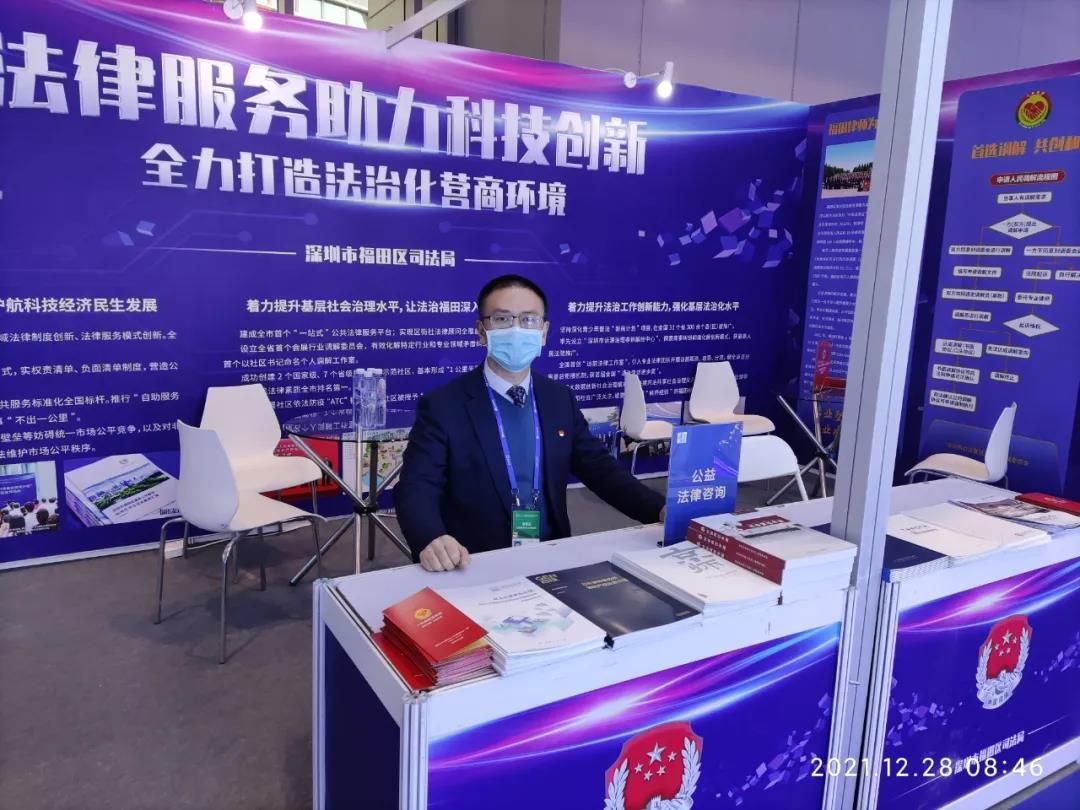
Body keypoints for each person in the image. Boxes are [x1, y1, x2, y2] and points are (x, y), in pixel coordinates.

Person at [395, 274, 666, 572]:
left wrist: (659, 509)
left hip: (549, 556)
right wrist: (431, 537)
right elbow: (417, 486)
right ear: (481, 332)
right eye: (502, 319)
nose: (516, 330)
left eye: (529, 319)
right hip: (473, 562)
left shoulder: (558, 399)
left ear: (544, 331)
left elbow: (600, 469)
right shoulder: (443, 405)